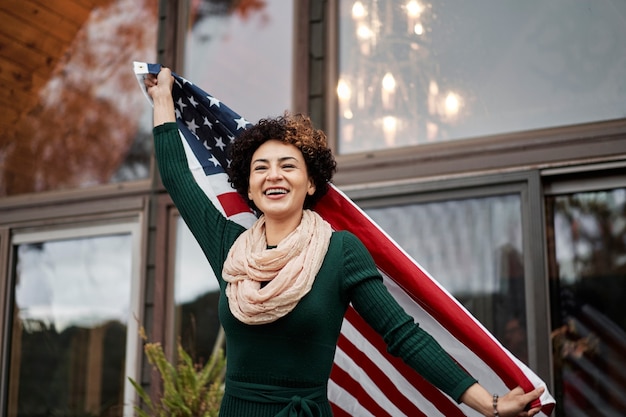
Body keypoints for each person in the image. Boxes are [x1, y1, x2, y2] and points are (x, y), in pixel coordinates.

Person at [145, 67, 545, 417]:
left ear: (312, 182)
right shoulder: (228, 248)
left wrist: (488, 404)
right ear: (248, 188)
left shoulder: (342, 252)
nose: (274, 176)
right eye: (260, 168)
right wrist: (163, 101)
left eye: (288, 166)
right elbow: (179, 180)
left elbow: (403, 335)